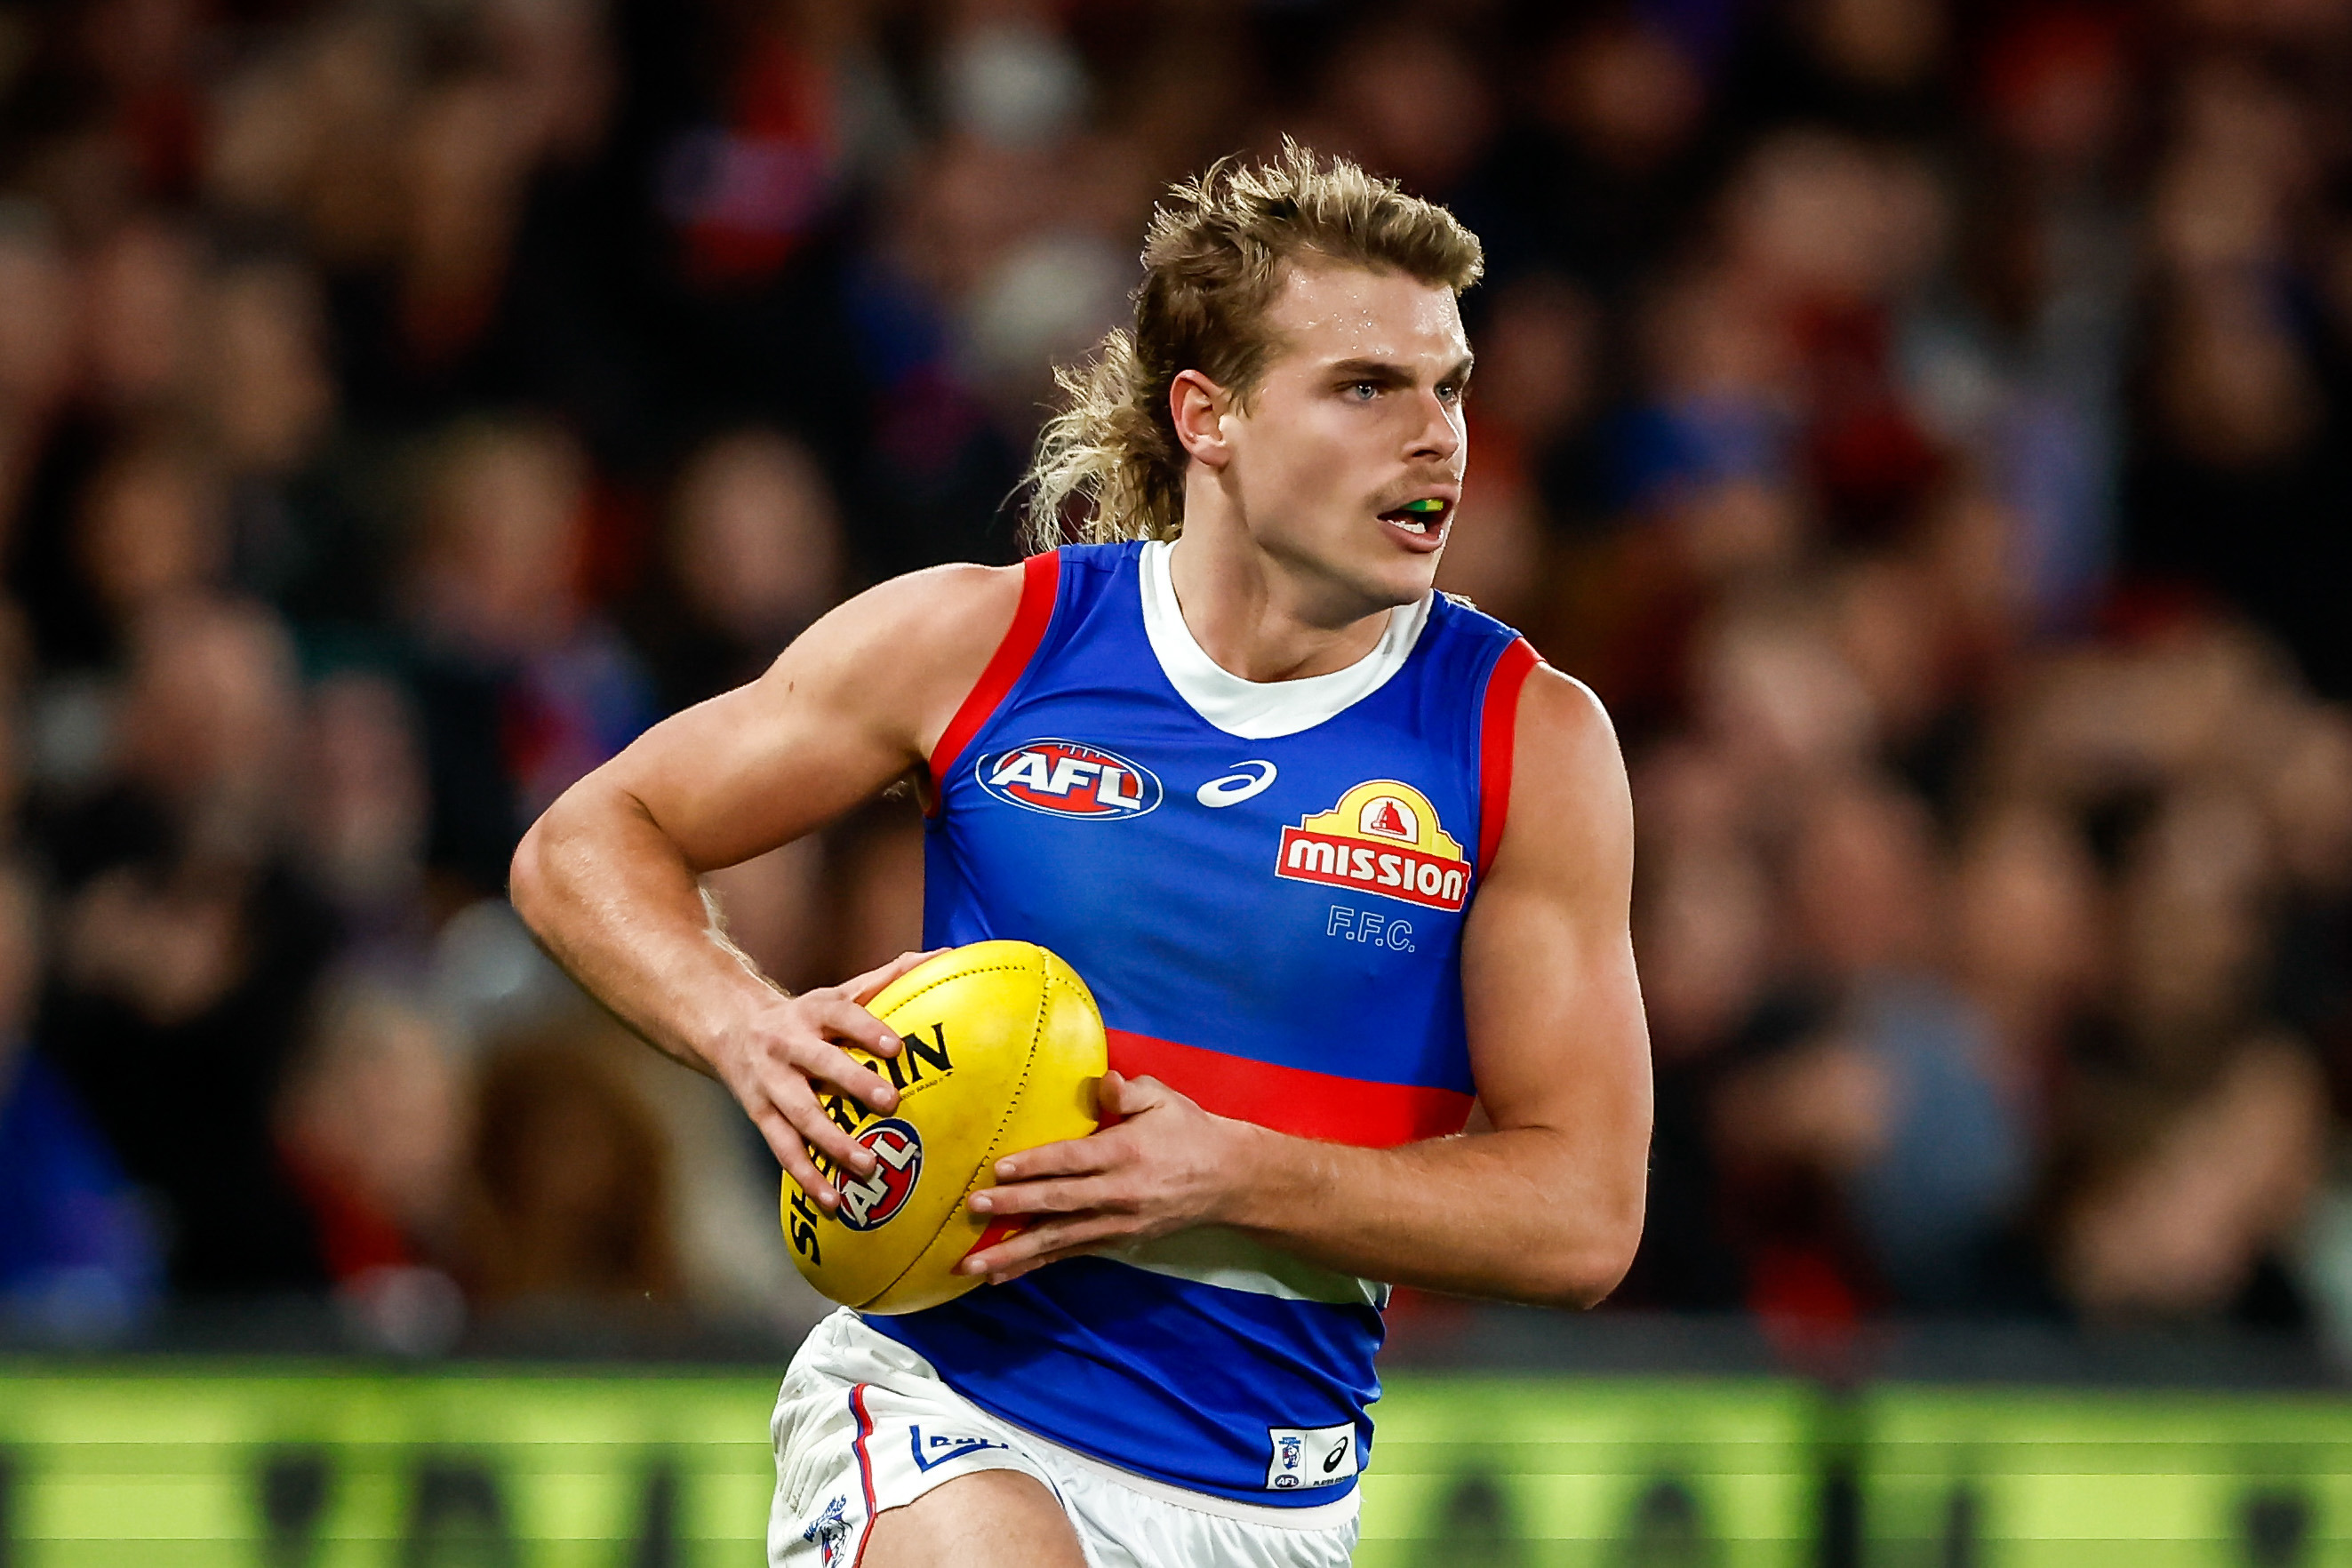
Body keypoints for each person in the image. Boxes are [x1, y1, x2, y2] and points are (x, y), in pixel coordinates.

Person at [510, 145, 1652, 1568]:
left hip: (1268, 1501)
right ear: (1208, 415)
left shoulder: (1524, 740)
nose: (1437, 437)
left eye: (1450, 387)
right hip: (945, 1417)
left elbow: (1582, 1218)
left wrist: (1229, 1173)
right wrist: (745, 1031)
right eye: (1366, 386)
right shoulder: (987, 641)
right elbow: (583, 843)